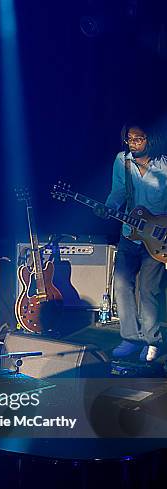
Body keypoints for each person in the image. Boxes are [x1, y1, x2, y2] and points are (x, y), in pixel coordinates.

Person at [95, 120, 167, 361]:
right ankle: (129, 338)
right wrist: (108, 208)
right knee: (122, 286)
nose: (134, 144)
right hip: (130, 234)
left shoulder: (164, 163)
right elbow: (117, 192)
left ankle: (151, 340)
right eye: (130, 139)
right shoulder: (122, 161)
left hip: (158, 239)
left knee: (149, 290)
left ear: (151, 138)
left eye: (139, 139)